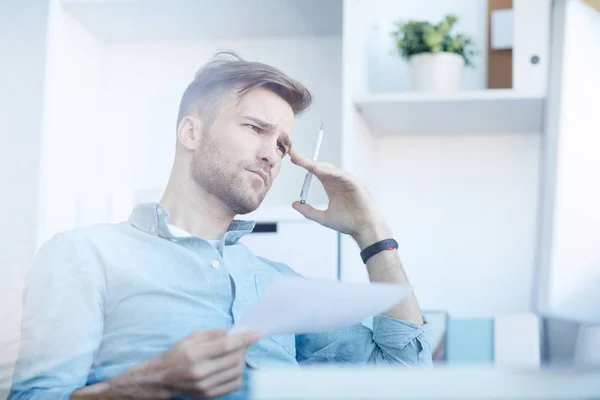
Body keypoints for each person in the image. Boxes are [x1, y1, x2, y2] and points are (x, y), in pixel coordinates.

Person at [8, 51, 432, 400]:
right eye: (255, 129)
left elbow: (406, 379)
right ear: (191, 132)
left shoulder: (279, 286)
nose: (272, 155)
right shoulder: (86, 254)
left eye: (283, 145)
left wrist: (371, 232)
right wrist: (147, 384)